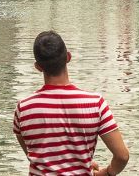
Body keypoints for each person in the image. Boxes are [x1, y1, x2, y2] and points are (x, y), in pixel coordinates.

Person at [14, 31, 129, 176]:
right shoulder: (95, 104)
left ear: (38, 67)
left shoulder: (23, 108)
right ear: (68, 57)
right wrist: (104, 173)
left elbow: (35, 154)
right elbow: (122, 156)